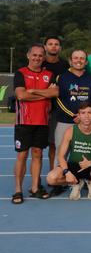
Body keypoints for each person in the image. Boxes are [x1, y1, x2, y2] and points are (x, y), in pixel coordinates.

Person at [12, 44, 54, 203]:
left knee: (38, 154)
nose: (37, 58)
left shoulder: (49, 74)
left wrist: (33, 92)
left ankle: (35, 187)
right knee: (22, 155)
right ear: (28, 55)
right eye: (34, 55)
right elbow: (21, 96)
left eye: (40, 55)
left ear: (44, 57)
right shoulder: (20, 73)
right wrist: (44, 96)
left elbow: (55, 92)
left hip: (43, 121)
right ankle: (18, 190)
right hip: (24, 121)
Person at [46, 103, 91, 200]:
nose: (86, 116)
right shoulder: (70, 131)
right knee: (51, 178)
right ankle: (76, 183)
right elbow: (61, 156)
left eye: (89, 113)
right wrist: (67, 173)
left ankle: (90, 183)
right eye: (83, 113)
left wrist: (90, 163)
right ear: (78, 115)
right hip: (73, 165)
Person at [42, 36, 69, 176]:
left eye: (56, 44)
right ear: (45, 47)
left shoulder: (65, 65)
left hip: (58, 110)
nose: (53, 46)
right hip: (40, 109)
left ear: (60, 47)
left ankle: (55, 174)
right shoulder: (39, 63)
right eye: (50, 44)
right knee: (38, 147)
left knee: (55, 144)